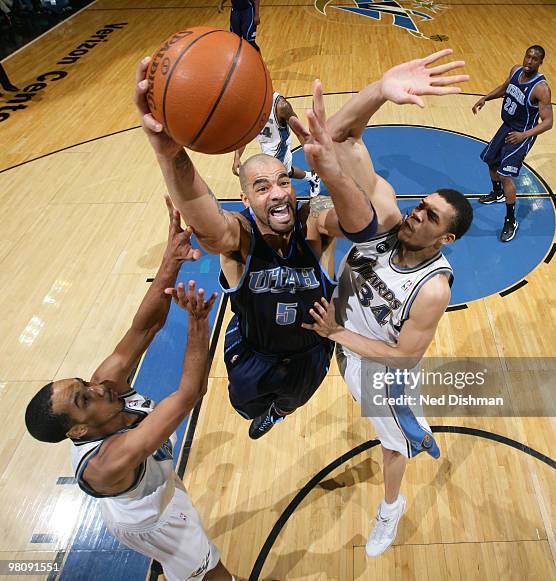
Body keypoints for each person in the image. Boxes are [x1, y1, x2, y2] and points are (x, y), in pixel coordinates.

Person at [289, 49, 473, 557]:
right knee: (395, 421)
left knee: (392, 444)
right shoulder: (389, 217)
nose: (417, 217)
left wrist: (336, 335)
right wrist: (377, 91)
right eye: (422, 206)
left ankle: (391, 510)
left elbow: (405, 357)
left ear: (447, 239)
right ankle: (414, 424)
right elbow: (341, 140)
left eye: (431, 218)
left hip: (382, 370)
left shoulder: (433, 288)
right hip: (348, 344)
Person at [24, 198, 239, 581]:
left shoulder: (104, 386)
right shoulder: (110, 461)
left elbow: (144, 328)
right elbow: (189, 393)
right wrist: (197, 324)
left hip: (157, 486)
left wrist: (171, 260)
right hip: (153, 520)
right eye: (83, 398)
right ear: (76, 430)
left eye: (83, 383)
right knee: (210, 572)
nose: (96, 387)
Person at [135, 57, 346, 440]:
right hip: (253, 353)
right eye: (263, 187)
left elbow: (356, 217)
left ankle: (278, 413)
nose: (279, 193)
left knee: (292, 400)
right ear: (245, 199)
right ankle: (264, 411)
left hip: (310, 351)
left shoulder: (315, 221)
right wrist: (170, 152)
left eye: (283, 181)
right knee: (244, 404)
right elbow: (208, 224)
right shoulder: (240, 238)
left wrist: (333, 167)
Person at [472, 45, 553, 242]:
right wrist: (485, 98)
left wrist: (524, 135)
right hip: (507, 126)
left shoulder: (541, 88)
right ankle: (497, 193)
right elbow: (505, 87)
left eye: (535, 59)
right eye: (528, 57)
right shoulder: (516, 70)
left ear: (540, 62)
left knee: (505, 174)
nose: (529, 61)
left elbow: (548, 123)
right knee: (490, 161)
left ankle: (510, 220)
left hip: (521, 134)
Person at [233, 91, 321, 197]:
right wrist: (237, 157)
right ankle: (312, 178)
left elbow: (301, 133)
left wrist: (311, 159)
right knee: (286, 171)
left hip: (279, 145)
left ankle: (288, 204)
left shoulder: (281, 106)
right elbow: (245, 132)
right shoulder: (248, 104)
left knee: (274, 178)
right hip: (265, 142)